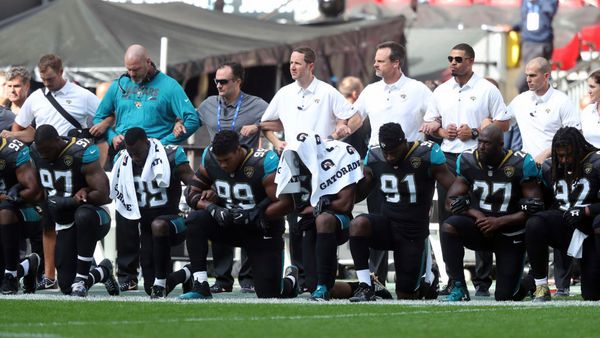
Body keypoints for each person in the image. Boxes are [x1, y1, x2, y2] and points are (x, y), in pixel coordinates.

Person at [92, 44, 200, 291]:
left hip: (159, 160)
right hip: (126, 160)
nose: (132, 74)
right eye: (128, 69)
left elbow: (192, 118)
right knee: (126, 217)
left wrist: (166, 144)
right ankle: (127, 275)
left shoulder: (169, 86)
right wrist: (111, 137)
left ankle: (158, 273)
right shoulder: (119, 85)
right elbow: (99, 118)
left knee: (157, 215)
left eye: (136, 69)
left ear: (148, 62)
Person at [261, 46, 360, 293]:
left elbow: (349, 116)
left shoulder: (326, 91)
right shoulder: (284, 93)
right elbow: (266, 123)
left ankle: (323, 278)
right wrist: (277, 143)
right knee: (296, 221)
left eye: (297, 63)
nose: (292, 67)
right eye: (291, 63)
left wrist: (340, 130)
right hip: (294, 164)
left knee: (320, 216)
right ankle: (301, 278)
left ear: (310, 66)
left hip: (322, 166)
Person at [421, 43, 510, 296]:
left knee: (482, 215)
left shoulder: (487, 89)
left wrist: (474, 131)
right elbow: (430, 123)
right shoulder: (441, 90)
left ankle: (482, 281)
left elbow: (503, 124)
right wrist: (441, 131)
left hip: (478, 159)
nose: (452, 63)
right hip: (449, 157)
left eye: (458, 59)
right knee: (450, 218)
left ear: (470, 61)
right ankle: (455, 280)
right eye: (450, 58)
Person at [179, 130, 299, 300]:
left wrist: (257, 214)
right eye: (219, 161)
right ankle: (200, 285)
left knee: (269, 294)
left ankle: (290, 281)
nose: (222, 165)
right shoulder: (210, 157)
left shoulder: (264, 161)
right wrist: (212, 207)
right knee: (195, 220)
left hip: (261, 229)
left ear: (238, 150)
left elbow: (287, 203)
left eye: (226, 160)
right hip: (229, 224)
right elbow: (191, 193)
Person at [348, 123, 454, 301]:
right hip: (387, 225)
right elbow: (359, 193)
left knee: (406, 295)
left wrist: (455, 199)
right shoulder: (374, 156)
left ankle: (430, 279)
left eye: (393, 152)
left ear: (404, 142)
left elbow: (453, 184)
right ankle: (366, 285)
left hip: (413, 231)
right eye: (385, 153)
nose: (389, 157)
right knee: (358, 224)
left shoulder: (426, 154)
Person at [441, 125, 541, 301]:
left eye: (486, 143)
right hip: (481, 228)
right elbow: (450, 202)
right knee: (449, 226)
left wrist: (499, 222)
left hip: (510, 232)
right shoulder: (467, 159)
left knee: (506, 296)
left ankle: (529, 283)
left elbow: (535, 208)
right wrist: (476, 214)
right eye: (480, 141)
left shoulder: (520, 163)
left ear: (500, 144)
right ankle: (458, 286)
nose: (481, 147)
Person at [197, 62, 266, 293]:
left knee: (249, 216)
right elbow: (190, 122)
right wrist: (176, 127)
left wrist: (258, 126)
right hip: (218, 169)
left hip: (248, 169)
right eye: (216, 80)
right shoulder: (208, 104)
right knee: (220, 216)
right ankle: (222, 279)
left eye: (224, 81)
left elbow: (280, 120)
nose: (218, 85)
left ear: (238, 81)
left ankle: (248, 277)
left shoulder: (257, 104)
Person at [30, 125, 119, 297]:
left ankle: (81, 280)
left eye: (47, 150)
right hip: (65, 222)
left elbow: (104, 194)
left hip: (95, 217)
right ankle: (103, 271)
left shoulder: (80, 151)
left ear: (57, 141)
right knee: (65, 286)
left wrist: (76, 199)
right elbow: (36, 188)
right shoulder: (36, 151)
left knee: (83, 215)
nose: (44, 155)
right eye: (41, 151)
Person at [274, 130, 364, 301]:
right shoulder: (292, 160)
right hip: (311, 225)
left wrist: (317, 209)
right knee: (313, 284)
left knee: (323, 219)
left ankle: (322, 286)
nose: (298, 160)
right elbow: (289, 203)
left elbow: (345, 204)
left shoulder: (341, 153)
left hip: (338, 221)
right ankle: (359, 286)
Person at [110, 127, 196, 298]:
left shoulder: (171, 154)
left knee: (159, 225)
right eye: (131, 152)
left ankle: (167, 280)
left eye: (138, 153)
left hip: (173, 222)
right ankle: (185, 274)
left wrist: (195, 207)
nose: (135, 157)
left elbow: (194, 184)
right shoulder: (122, 160)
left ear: (147, 144)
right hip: (148, 228)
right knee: (152, 289)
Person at [526, 127, 600, 301]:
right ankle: (540, 285)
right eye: (560, 155)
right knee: (535, 223)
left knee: (592, 295)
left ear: (579, 149)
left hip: (591, 230)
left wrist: (586, 210)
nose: (564, 160)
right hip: (566, 225)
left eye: (568, 155)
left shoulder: (596, 163)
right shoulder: (550, 166)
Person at [507, 57, 580, 164]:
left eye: (532, 75)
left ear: (546, 76)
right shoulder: (520, 100)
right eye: (527, 75)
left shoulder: (563, 101)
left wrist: (546, 153)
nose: (528, 79)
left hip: (555, 166)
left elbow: (575, 137)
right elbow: (501, 119)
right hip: (527, 166)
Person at [0, 137, 44, 294]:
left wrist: (14, 194)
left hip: (24, 213)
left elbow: (33, 189)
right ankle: (28, 265)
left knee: (4, 210)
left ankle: (11, 275)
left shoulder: (12, 151)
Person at [512, 0, 559, 94]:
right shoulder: (525, 2)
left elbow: (549, 11)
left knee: (524, 81)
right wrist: (513, 27)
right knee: (534, 78)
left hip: (541, 42)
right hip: (527, 42)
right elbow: (524, 19)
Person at [581, 70, 600, 148]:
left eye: (592, 87)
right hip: (590, 158)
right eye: (589, 87)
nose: (589, 91)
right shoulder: (586, 111)